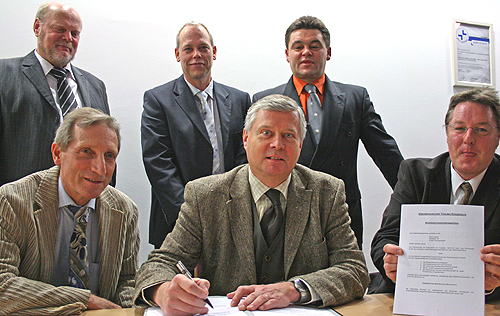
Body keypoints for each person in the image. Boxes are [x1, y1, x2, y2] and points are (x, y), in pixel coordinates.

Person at [134, 94, 369, 315]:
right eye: (266, 133)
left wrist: (294, 289)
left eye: (289, 135)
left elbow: (355, 270)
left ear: (300, 144)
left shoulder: (327, 192)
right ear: (246, 139)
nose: (277, 144)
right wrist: (163, 292)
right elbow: (160, 263)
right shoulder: (205, 195)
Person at [253, 16, 403, 248]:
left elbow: (385, 152)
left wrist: (413, 195)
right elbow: (252, 161)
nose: (306, 52)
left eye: (314, 46)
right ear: (287, 54)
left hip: (342, 211)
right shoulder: (265, 101)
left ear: (328, 52)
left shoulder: (355, 98)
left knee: (345, 278)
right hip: (284, 210)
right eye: (298, 47)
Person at [0, 107, 139, 314]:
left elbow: (127, 282)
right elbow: (3, 284)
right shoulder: (12, 201)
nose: (100, 169)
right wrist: (85, 300)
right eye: (86, 152)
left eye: (109, 156)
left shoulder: (124, 210)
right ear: (57, 153)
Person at [371, 88, 500, 299]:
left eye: (482, 130)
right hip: (412, 298)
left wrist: (493, 282)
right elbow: (384, 239)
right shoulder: (415, 174)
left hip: (487, 303)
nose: (469, 139)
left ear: (497, 137)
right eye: (459, 128)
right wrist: (390, 262)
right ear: (447, 134)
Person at [141, 21, 251, 248]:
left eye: (203, 47)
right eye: (188, 49)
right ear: (177, 55)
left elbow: (245, 156)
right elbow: (158, 163)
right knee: (179, 284)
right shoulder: (158, 100)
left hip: (232, 219)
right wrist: (190, 215)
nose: (196, 55)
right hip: (178, 222)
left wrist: (234, 208)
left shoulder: (240, 100)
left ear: (214, 52)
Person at [0, 2, 111, 187]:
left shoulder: (95, 86)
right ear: (37, 27)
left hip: (84, 203)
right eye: (59, 29)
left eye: (75, 33)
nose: (68, 38)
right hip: (22, 205)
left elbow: (106, 145)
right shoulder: (4, 75)